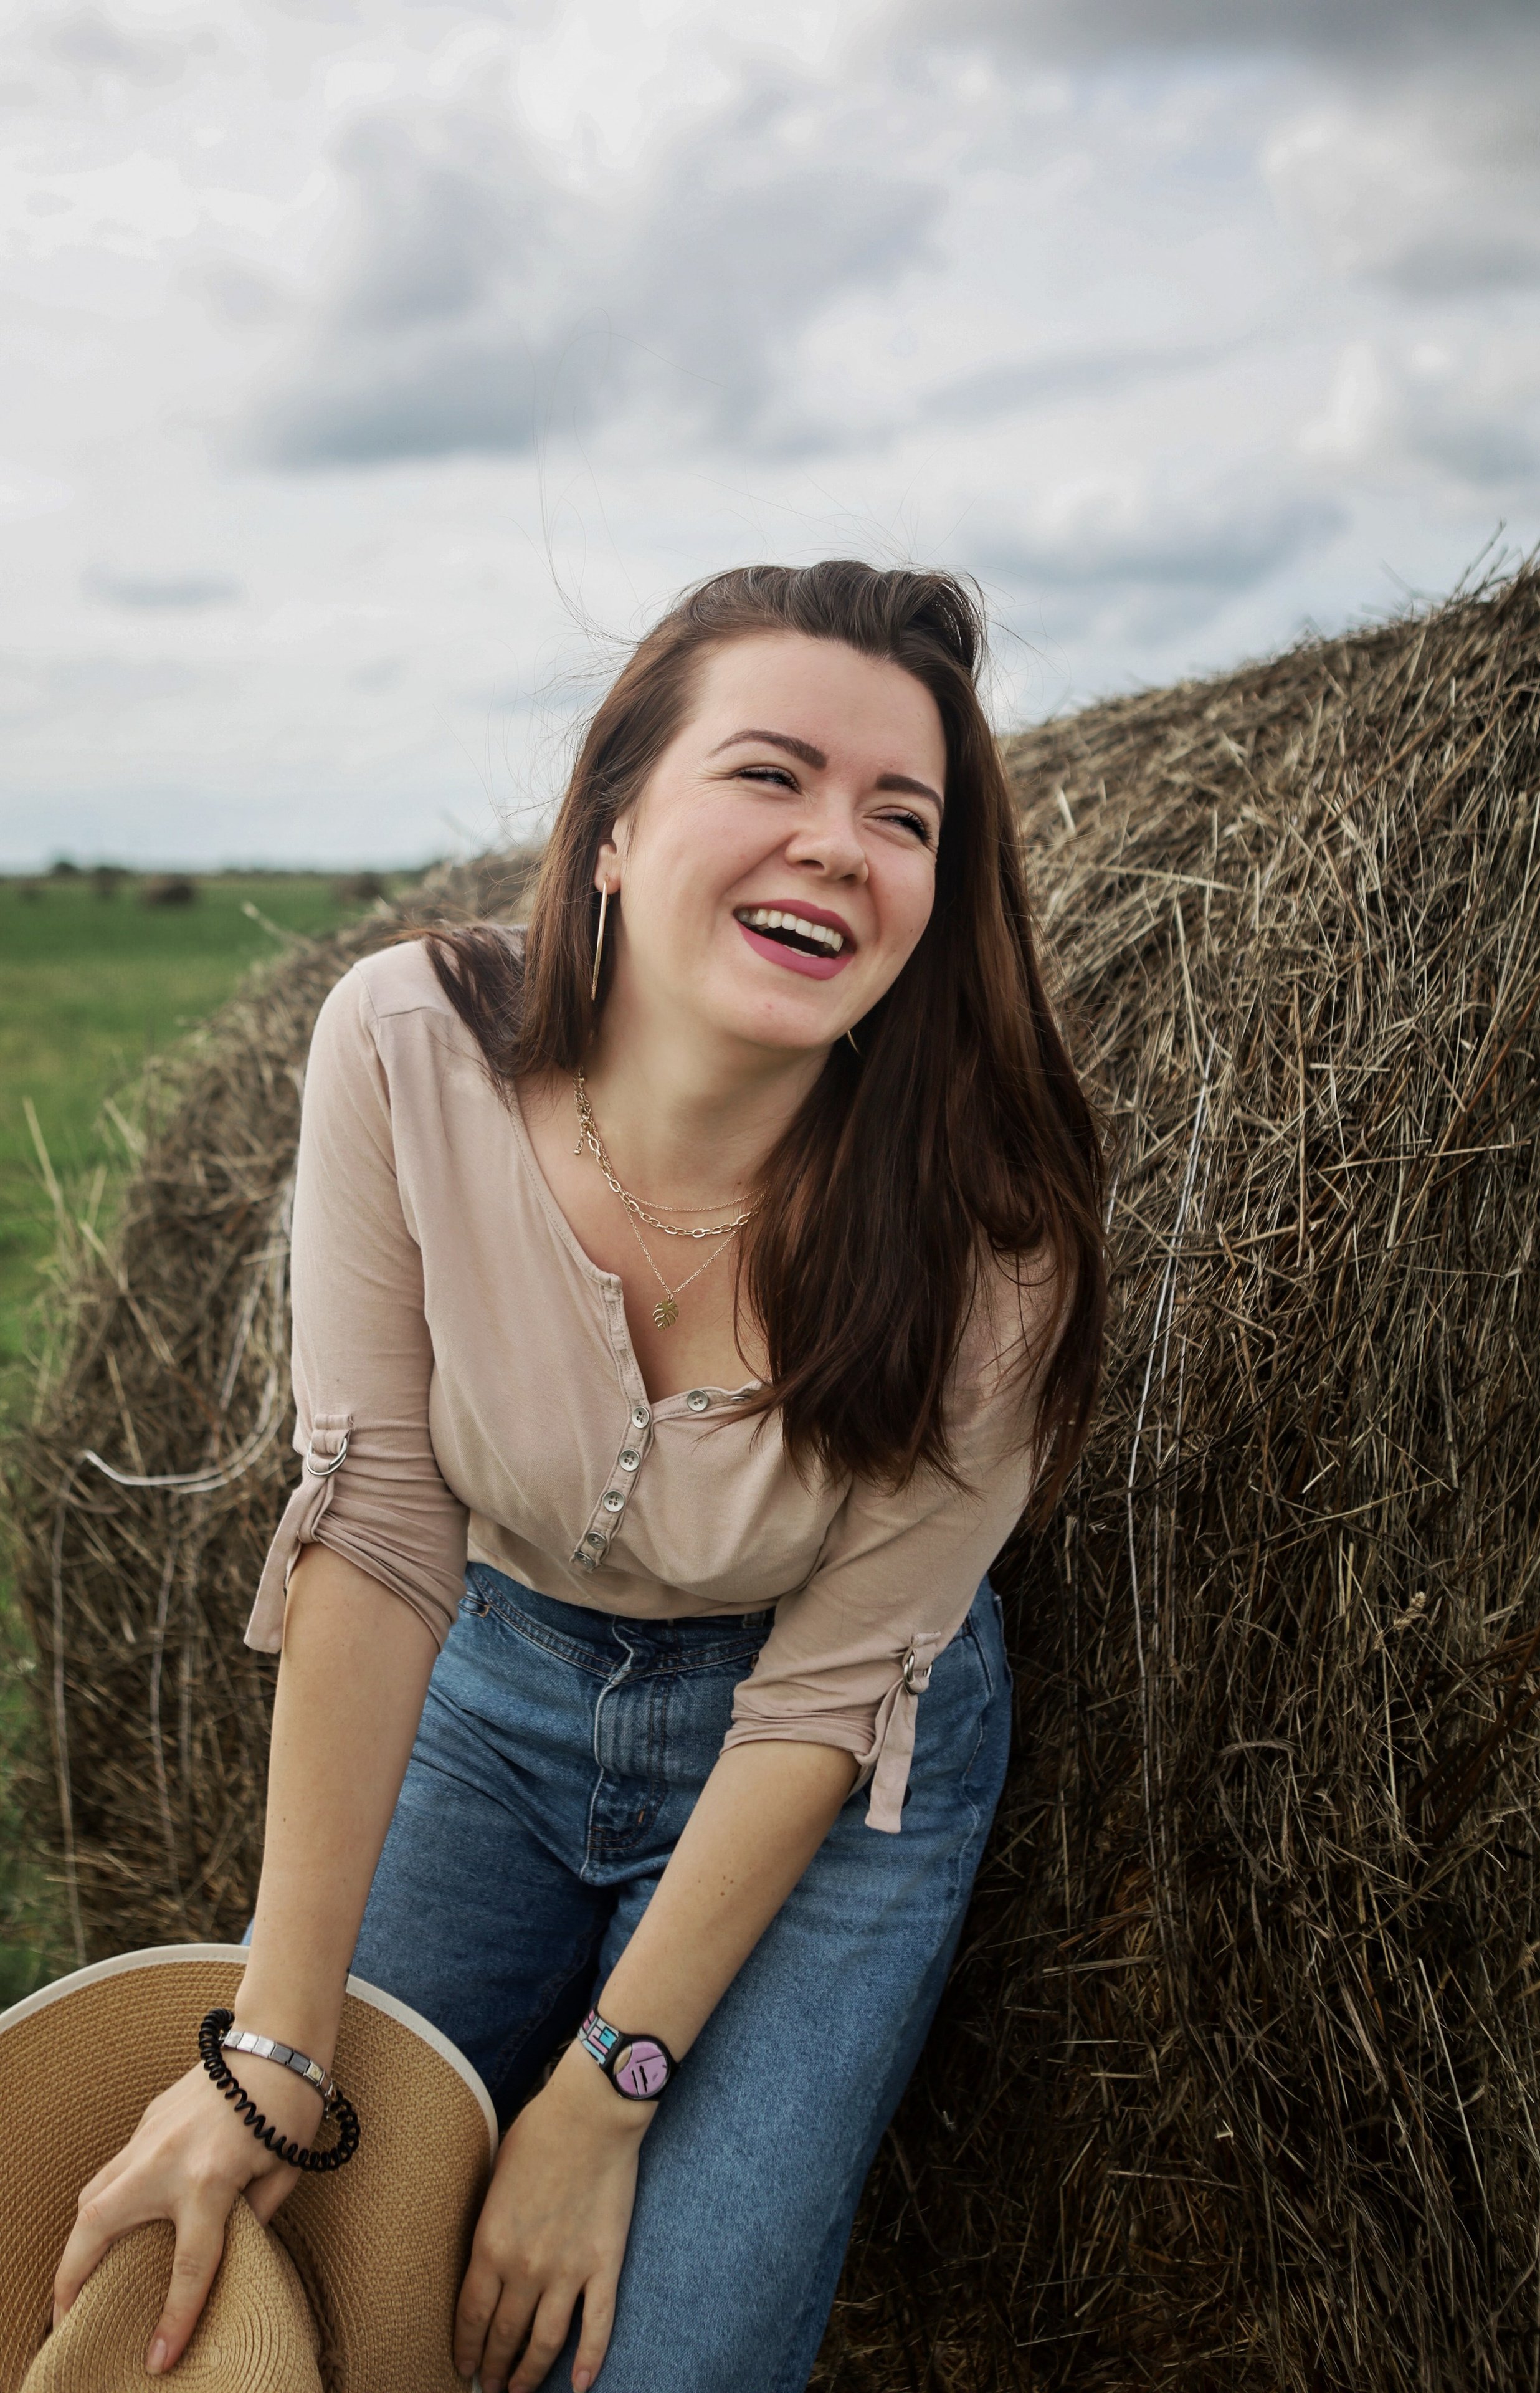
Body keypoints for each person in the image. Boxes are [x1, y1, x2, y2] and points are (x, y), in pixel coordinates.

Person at [49, 561, 1106, 2393]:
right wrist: (274, 2047)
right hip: (497, 1684)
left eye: (902, 815)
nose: (838, 844)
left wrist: (601, 2103)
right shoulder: (409, 1050)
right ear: (610, 826)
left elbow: (833, 1693)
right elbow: (382, 1534)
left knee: (663, 2365)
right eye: (770, 774)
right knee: (285, 2271)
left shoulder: (992, 1241)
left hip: (826, 1760)